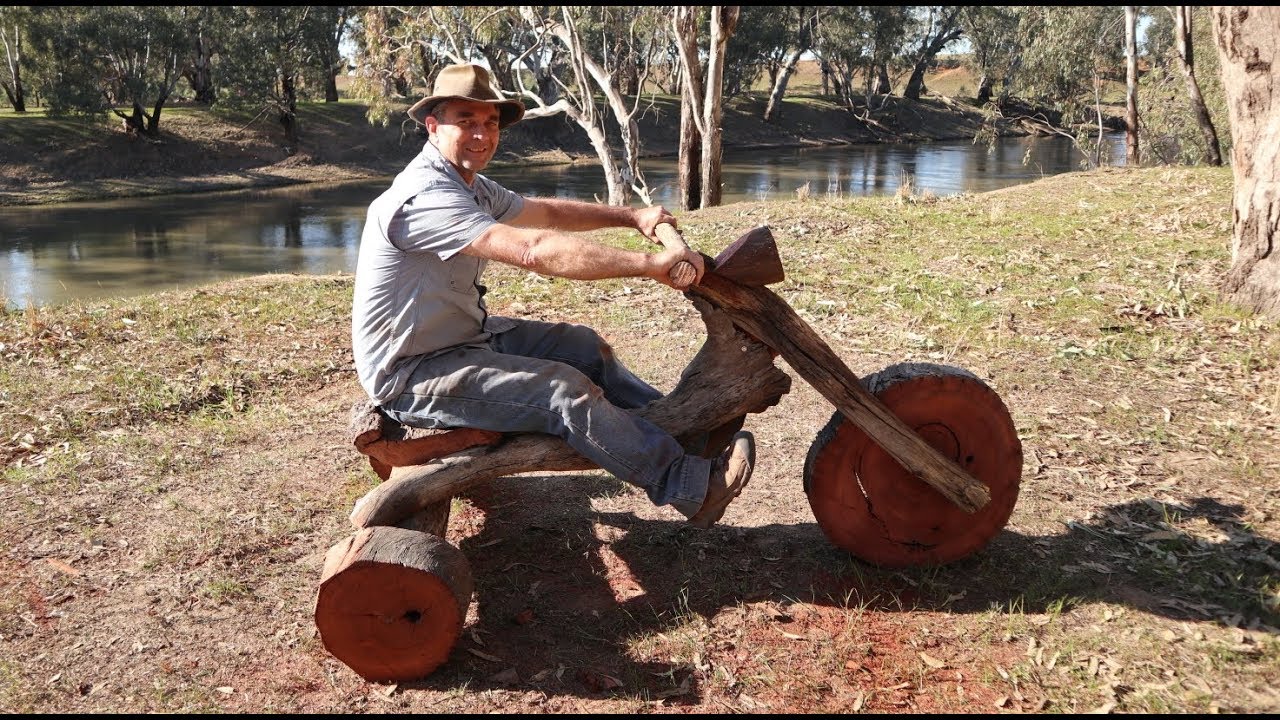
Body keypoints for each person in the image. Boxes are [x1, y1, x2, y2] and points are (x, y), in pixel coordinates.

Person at [351, 63, 754, 529]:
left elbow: (544, 212)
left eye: (490, 123)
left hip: (465, 339)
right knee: (561, 390)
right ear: (433, 125)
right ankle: (689, 487)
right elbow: (533, 248)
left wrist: (630, 216)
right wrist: (649, 266)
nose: (481, 135)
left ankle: (688, 433)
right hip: (412, 370)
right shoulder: (425, 196)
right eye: (466, 121)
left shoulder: (471, 186)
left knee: (582, 347)